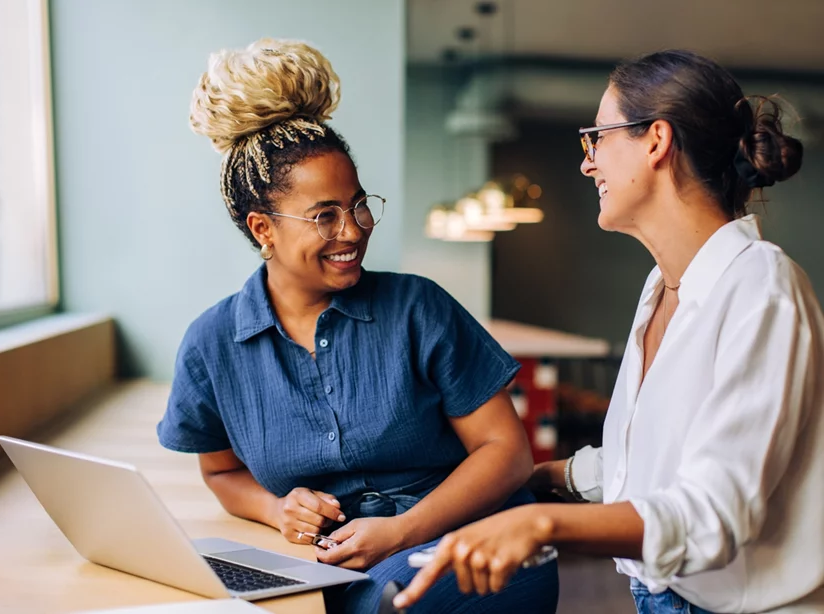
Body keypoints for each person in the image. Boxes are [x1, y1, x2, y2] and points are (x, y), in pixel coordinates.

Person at [395, 50, 824, 614]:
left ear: (655, 141)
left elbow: (715, 512)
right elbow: (650, 457)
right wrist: (540, 480)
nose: (587, 163)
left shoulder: (762, 287)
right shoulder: (660, 286)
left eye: (597, 138)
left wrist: (542, 522)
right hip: (659, 597)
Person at [156, 38, 558, 613]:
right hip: (337, 557)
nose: (354, 230)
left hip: (480, 537)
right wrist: (277, 509)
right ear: (262, 229)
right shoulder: (212, 343)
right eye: (325, 216)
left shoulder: (419, 307)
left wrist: (403, 530)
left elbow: (507, 452)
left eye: (358, 204)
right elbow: (220, 471)